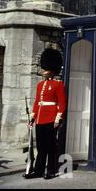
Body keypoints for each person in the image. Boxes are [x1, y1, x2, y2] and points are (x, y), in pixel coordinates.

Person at [24, 48, 66, 180]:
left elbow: (62, 104)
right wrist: (32, 118)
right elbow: (37, 102)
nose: (43, 70)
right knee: (41, 147)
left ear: (52, 70)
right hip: (40, 119)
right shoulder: (40, 85)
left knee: (51, 146)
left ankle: (51, 170)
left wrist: (58, 119)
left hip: (51, 118)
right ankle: (38, 170)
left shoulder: (58, 85)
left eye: (45, 68)